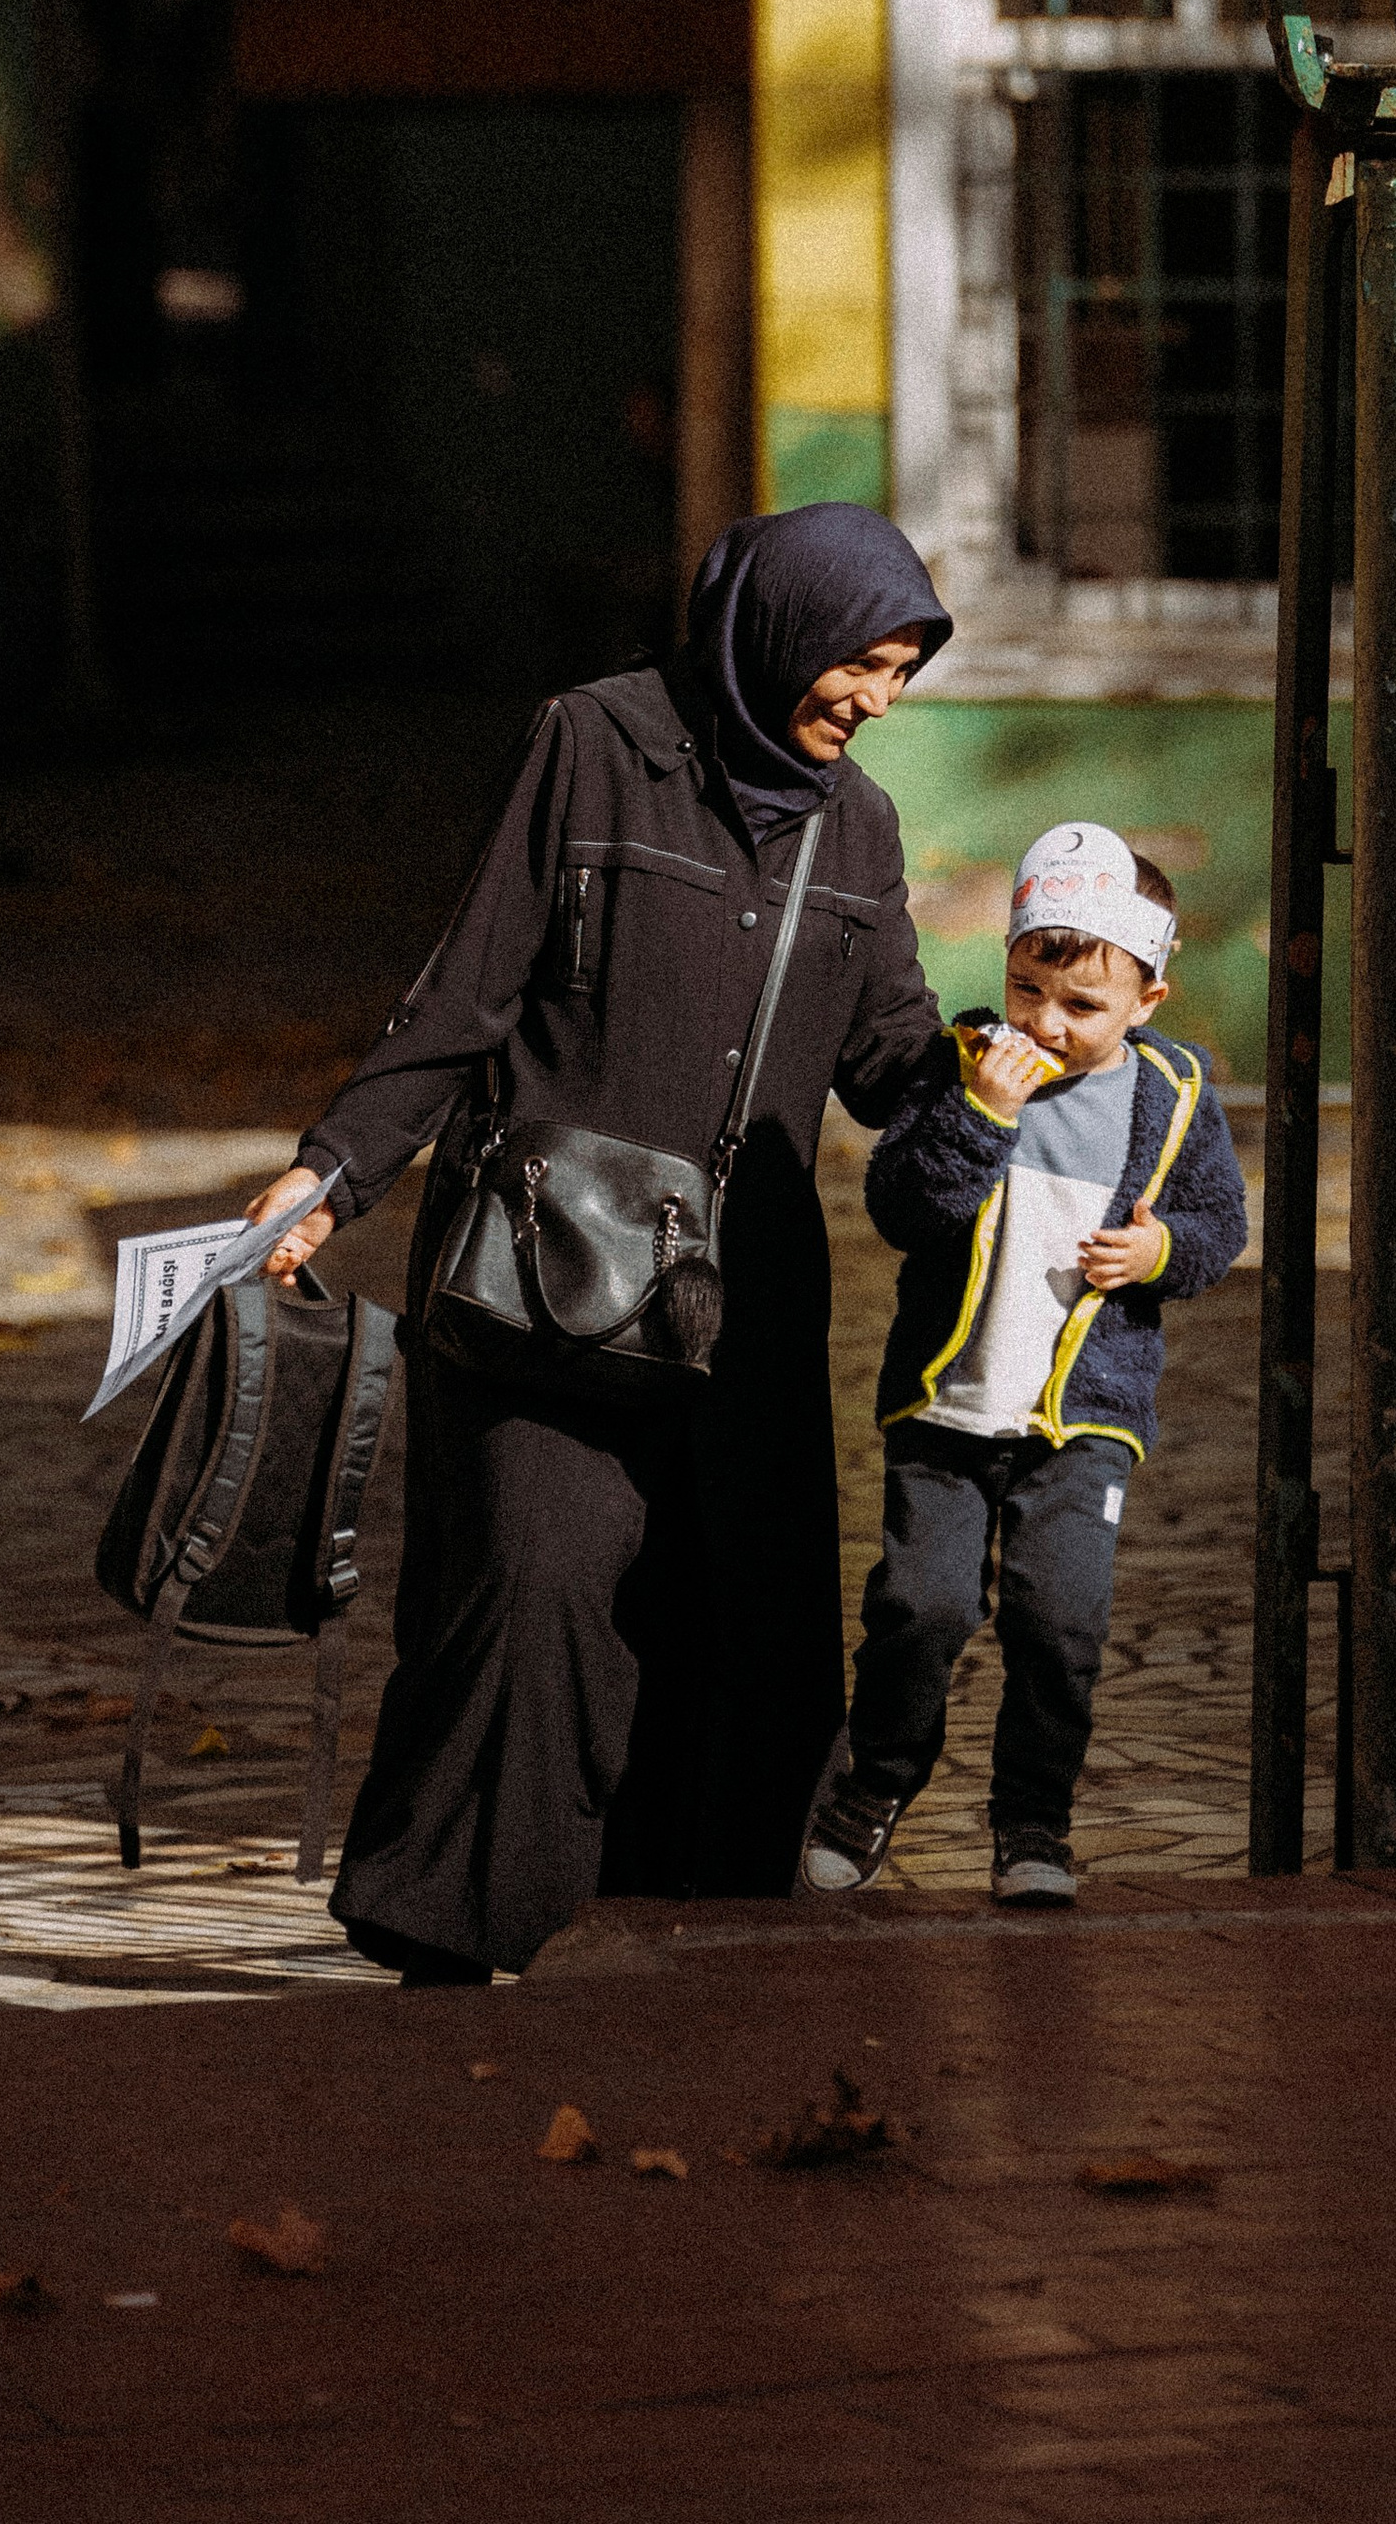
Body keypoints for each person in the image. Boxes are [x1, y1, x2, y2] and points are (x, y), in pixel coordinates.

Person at [249, 502, 951, 1981]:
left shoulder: (862, 828)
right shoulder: (595, 742)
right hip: (541, 1274)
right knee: (535, 1583)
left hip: (736, 1300)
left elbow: (887, 1056)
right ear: (785, 629)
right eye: (862, 665)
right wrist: (334, 1170)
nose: (875, 702)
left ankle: (696, 1942)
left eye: (900, 675)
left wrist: (993, 1070)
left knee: (746, 1629)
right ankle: (446, 1930)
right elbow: (469, 989)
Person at [801, 824, 1247, 1907]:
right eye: (1027, 987)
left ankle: (1033, 1821)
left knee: (1060, 1622)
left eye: (1082, 1005)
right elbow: (903, 1207)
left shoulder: (1171, 1096)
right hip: (946, 1409)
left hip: (1081, 1421)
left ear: (1147, 998)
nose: (1046, 1022)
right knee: (923, 1606)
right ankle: (874, 1784)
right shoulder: (960, 1067)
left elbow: (1216, 1226)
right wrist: (981, 1114)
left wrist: (1159, 1251)